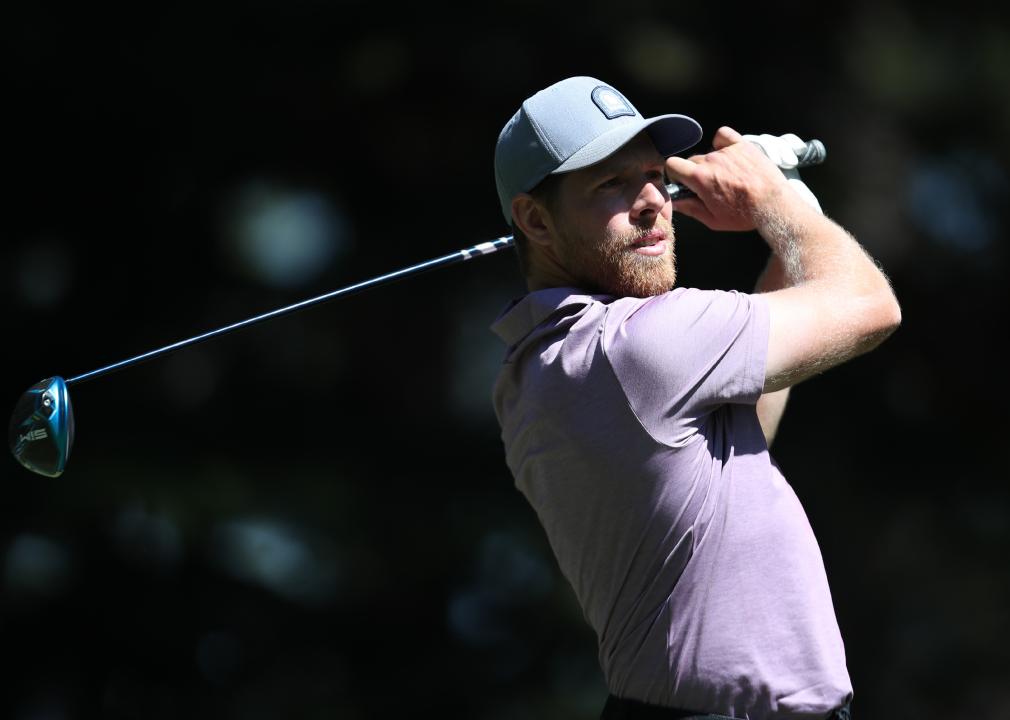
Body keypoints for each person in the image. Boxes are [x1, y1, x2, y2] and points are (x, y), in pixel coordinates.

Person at [489, 76, 900, 719]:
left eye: (655, 175)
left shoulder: (538, 364)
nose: (654, 202)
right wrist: (777, 203)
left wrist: (793, 228)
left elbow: (744, 421)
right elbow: (871, 308)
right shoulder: (635, 345)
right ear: (535, 219)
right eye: (611, 184)